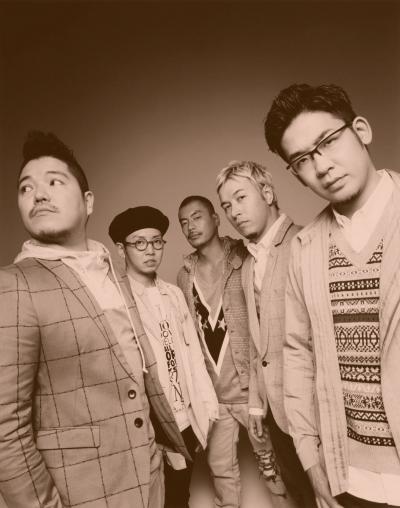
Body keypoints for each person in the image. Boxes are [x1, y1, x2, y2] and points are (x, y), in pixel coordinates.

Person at [0, 131, 185, 508]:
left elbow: (133, 372)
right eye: (26, 188)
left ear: (88, 202)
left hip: (149, 477)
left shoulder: (114, 270)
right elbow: (6, 429)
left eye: (54, 182)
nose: (38, 194)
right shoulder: (14, 285)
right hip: (82, 492)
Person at [264, 83, 400, 508]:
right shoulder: (305, 248)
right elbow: (298, 355)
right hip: (350, 478)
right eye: (303, 159)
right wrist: (312, 463)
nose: (321, 165)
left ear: (361, 130)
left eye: (327, 142)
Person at [217, 161, 317, 508]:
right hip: (276, 413)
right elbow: (257, 341)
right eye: (226, 205)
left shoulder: (306, 242)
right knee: (302, 499)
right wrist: (257, 405)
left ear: (268, 193)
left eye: (240, 198)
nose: (233, 211)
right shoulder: (247, 263)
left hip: (315, 411)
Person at [177, 195, 288, 508]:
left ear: (216, 219)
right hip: (214, 399)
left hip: (253, 393)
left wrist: (259, 393)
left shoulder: (245, 258)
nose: (190, 226)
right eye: (183, 222)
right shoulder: (184, 275)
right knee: (221, 473)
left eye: (197, 217)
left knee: (275, 471)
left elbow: (267, 323)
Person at [108, 205, 219, 508]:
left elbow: (193, 356)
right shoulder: (115, 298)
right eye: (139, 242)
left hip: (184, 416)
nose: (150, 250)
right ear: (121, 249)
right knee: (149, 498)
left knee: (180, 496)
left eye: (156, 241)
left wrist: (207, 408)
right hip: (147, 419)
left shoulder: (174, 293)